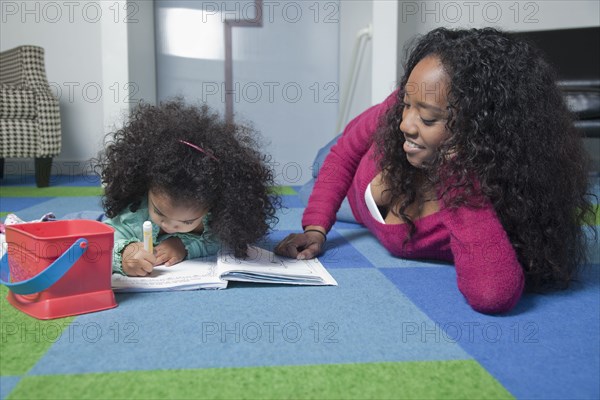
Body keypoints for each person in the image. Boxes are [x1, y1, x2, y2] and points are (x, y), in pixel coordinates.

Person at [275, 27, 596, 314]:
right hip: (351, 159)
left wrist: (456, 175)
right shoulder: (400, 111)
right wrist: (316, 229)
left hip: (357, 206)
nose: (404, 123)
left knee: (306, 189)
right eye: (405, 105)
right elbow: (343, 155)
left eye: (428, 119)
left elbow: (492, 294)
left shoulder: (489, 207)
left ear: (482, 133)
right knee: (320, 169)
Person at [95, 99, 278, 277]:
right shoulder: (134, 217)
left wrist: (183, 245)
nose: (169, 226)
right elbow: (98, 245)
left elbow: (224, 241)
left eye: (188, 222)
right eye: (160, 212)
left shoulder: (220, 218)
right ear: (147, 186)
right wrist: (124, 254)